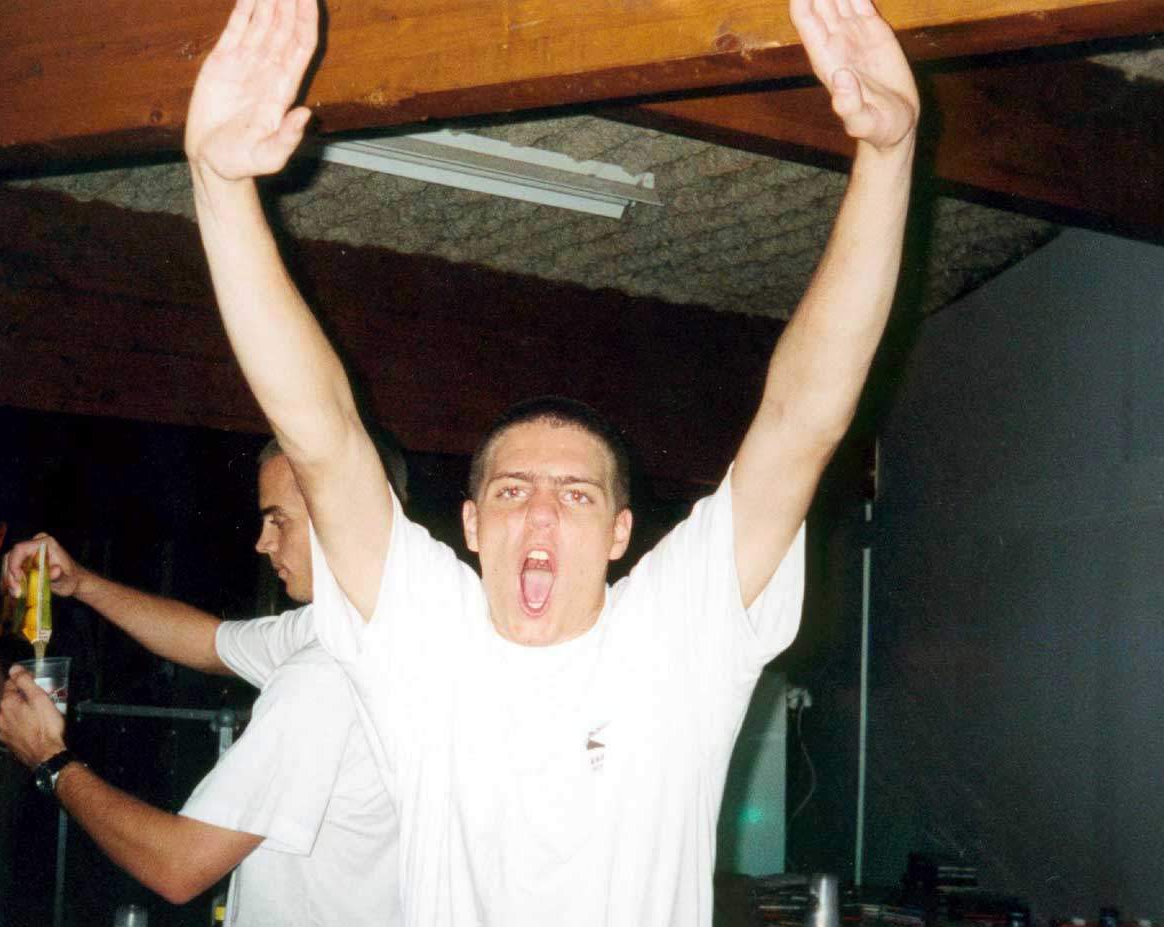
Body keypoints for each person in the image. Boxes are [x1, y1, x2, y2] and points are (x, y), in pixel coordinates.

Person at [186, 0, 918, 921]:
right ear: (469, 523)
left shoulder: (675, 636)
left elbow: (801, 418)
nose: (538, 514)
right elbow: (321, 435)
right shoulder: (425, 638)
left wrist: (889, 159)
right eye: (511, 490)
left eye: (575, 496)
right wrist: (219, 185)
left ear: (620, 532)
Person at [0, 440, 401, 926]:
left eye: (279, 521)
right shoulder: (357, 629)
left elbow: (178, 865)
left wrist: (50, 758)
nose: (262, 542)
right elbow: (209, 643)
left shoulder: (321, 675)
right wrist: (80, 582)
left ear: (345, 516)